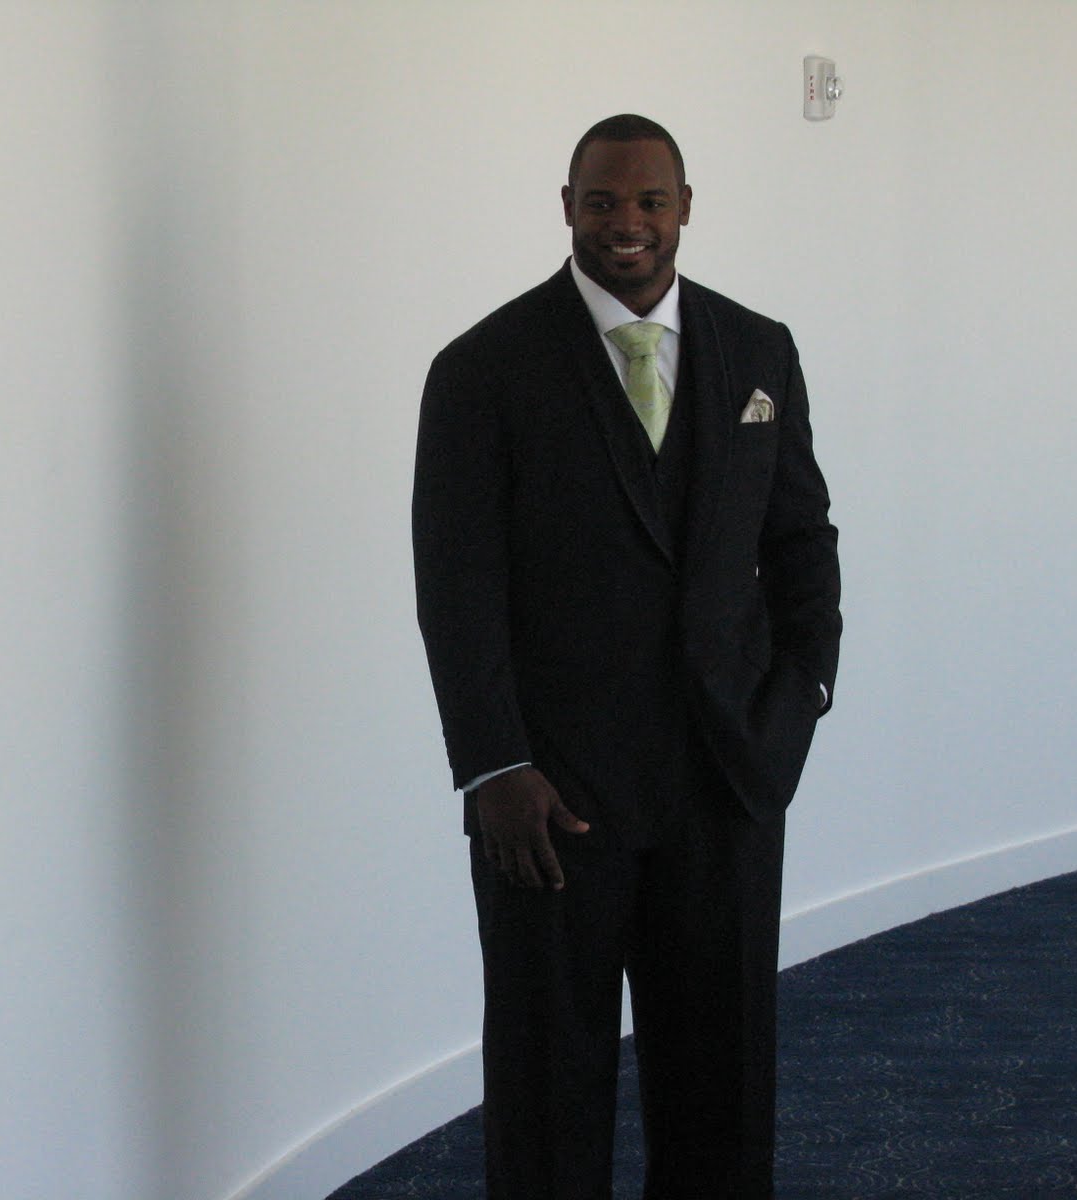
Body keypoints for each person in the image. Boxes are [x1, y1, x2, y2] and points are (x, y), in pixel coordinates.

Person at [412, 114, 842, 1199]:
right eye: (601, 201)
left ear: (685, 207)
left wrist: (801, 694)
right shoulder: (481, 369)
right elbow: (457, 589)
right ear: (567, 208)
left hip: (726, 779)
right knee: (547, 1085)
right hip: (553, 798)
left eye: (650, 201)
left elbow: (802, 538)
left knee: (721, 1084)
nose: (627, 224)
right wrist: (495, 765)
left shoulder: (760, 350)